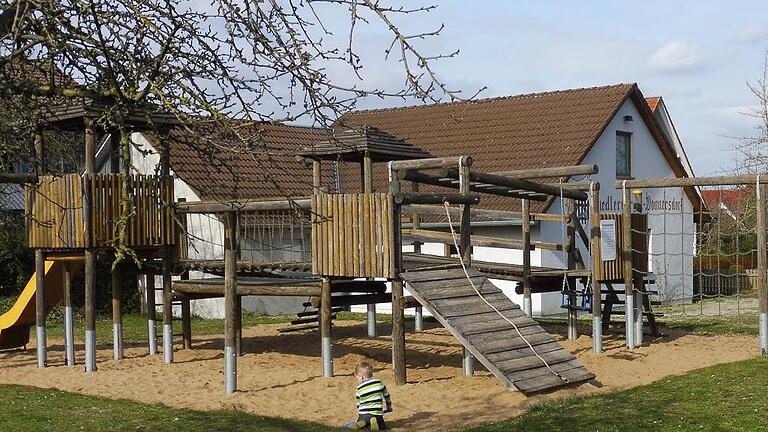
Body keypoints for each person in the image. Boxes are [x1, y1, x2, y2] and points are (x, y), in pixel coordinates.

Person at [342, 362, 392, 430]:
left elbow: (358, 404)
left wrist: (360, 410)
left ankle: (362, 423)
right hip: (377, 413)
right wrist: (389, 406)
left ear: (361, 377)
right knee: (382, 427)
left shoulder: (359, 388)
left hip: (364, 413)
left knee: (363, 424)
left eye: (357, 378)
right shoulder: (378, 382)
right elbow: (387, 395)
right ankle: (374, 421)